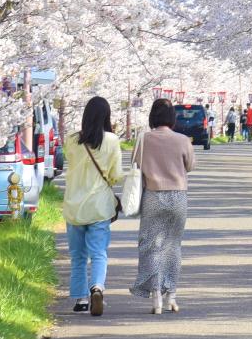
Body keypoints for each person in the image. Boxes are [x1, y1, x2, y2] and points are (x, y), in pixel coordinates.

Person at [132, 97, 196, 314]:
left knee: (150, 246)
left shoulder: (143, 139)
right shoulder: (182, 140)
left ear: (152, 116)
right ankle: (172, 296)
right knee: (173, 246)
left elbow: (135, 164)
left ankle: (156, 297)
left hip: (153, 196)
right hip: (178, 197)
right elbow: (190, 165)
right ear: (172, 118)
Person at [63, 95, 123, 316]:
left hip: (74, 207)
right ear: (107, 116)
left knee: (78, 256)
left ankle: (80, 299)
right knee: (98, 253)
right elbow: (115, 175)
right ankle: (97, 287)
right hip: (99, 207)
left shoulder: (71, 140)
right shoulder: (111, 141)